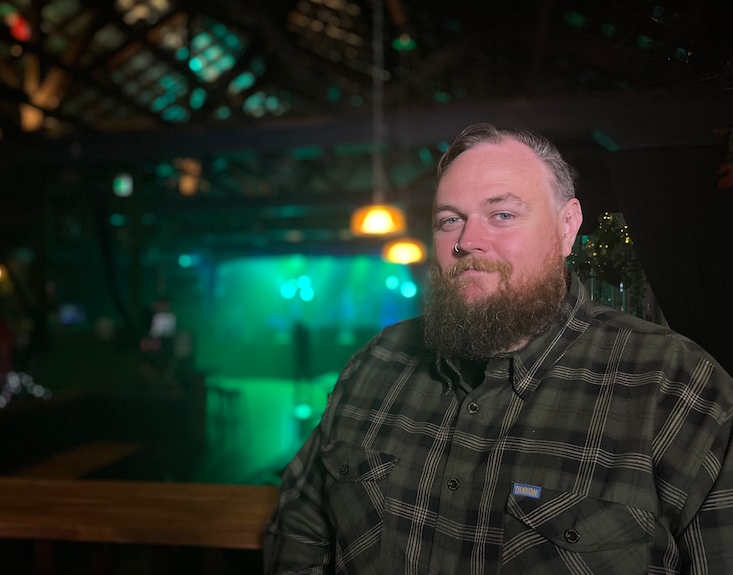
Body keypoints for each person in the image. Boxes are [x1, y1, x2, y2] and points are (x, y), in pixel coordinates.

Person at [263, 123, 733, 573]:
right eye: (450, 220)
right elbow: (300, 533)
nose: (468, 241)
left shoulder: (676, 386)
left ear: (567, 227)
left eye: (502, 215)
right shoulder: (375, 362)